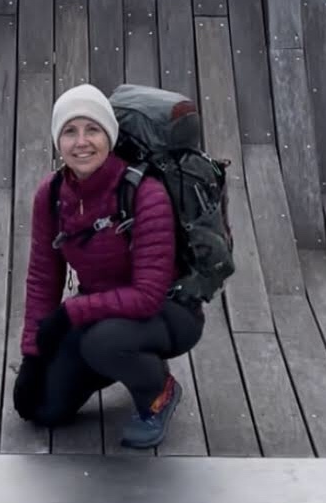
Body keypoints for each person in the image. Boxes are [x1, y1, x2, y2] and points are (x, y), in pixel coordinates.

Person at [13, 83, 205, 449]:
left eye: (92, 130)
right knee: (43, 409)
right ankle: (123, 363)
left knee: (105, 343)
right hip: (100, 314)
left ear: (109, 136)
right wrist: (32, 356)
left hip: (168, 312)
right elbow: (42, 278)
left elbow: (147, 296)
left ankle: (158, 394)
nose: (81, 142)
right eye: (70, 131)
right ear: (58, 140)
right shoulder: (51, 194)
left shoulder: (144, 193)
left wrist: (71, 314)